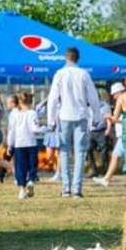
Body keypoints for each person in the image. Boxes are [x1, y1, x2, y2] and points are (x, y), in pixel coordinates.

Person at [46, 47, 103, 198]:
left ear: (66, 58)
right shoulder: (84, 74)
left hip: (64, 115)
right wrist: (97, 117)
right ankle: (77, 188)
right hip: (81, 115)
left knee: (64, 152)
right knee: (80, 152)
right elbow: (93, 98)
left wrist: (50, 120)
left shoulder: (59, 74)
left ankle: (66, 188)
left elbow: (52, 99)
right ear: (78, 58)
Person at [7, 90, 41, 199]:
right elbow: (35, 128)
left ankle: (22, 189)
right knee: (32, 165)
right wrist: (46, 128)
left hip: (19, 144)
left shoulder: (14, 114)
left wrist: (9, 145)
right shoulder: (33, 113)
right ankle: (31, 180)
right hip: (31, 143)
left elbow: (11, 130)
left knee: (20, 167)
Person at [92, 82, 126, 187]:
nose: (113, 96)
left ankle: (106, 178)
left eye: (115, 94)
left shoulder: (123, 102)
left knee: (118, 156)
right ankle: (106, 178)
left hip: (125, 134)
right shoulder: (125, 101)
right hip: (124, 134)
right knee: (116, 156)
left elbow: (119, 119)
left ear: (119, 92)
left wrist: (109, 117)